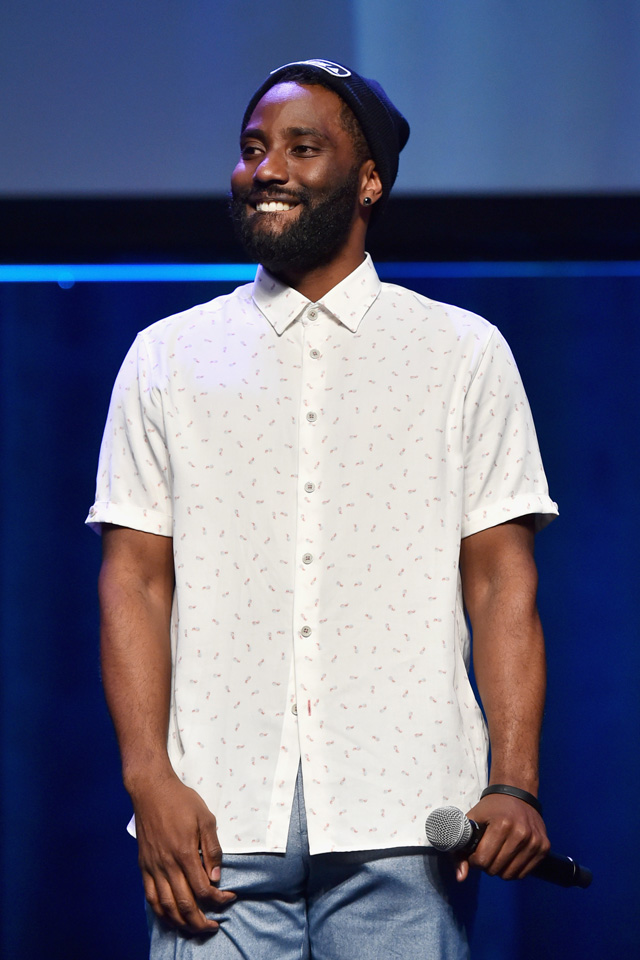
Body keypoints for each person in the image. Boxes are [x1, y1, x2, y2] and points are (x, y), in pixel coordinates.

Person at [88, 58, 558, 959]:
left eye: (301, 148)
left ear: (369, 180)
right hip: (214, 817)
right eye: (252, 148)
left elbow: (502, 583)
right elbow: (134, 581)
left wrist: (515, 782)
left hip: (408, 814)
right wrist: (149, 777)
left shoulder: (461, 353)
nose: (266, 169)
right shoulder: (166, 357)